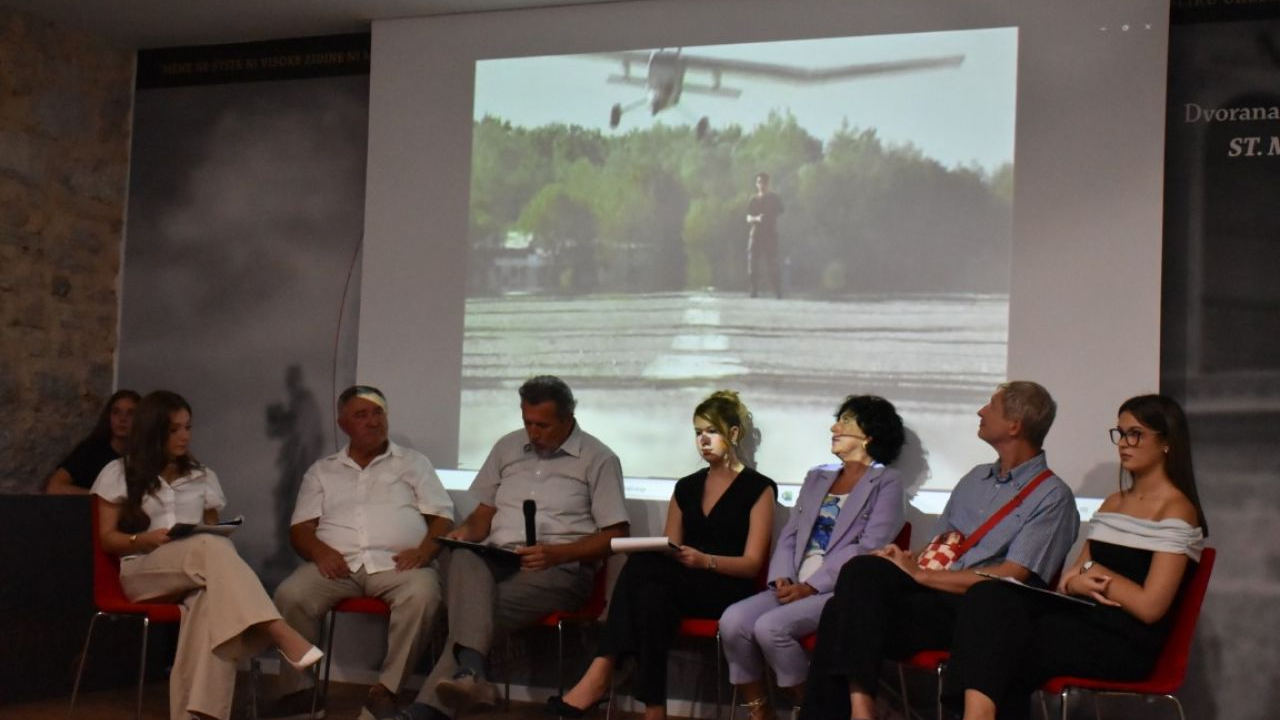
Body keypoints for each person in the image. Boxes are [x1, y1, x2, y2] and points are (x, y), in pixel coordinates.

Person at [799, 381, 1080, 720]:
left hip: (980, 615)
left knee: (840, 612)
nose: (980, 411)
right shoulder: (975, 478)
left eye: (991, 406)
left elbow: (1013, 577)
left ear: (1014, 425)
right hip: (932, 595)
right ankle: (861, 706)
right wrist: (905, 560)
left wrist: (922, 575)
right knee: (860, 576)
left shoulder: (1052, 496)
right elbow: (939, 546)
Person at [941, 394, 1208, 720]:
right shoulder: (1114, 502)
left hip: (1125, 642)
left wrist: (1095, 575)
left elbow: (1150, 607)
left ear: (1166, 442)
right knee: (988, 595)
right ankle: (976, 713)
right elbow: (1069, 580)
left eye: (1135, 434)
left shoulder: (1177, 509)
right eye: (1120, 433)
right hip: (1085, 620)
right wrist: (1081, 579)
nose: (1124, 444)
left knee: (1008, 641)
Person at [391, 376, 630, 720]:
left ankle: (435, 702)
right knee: (463, 553)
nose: (533, 433)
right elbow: (482, 517)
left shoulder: (599, 458)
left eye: (542, 425)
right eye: (527, 422)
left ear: (568, 419)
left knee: (471, 614)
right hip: (498, 560)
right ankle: (467, 678)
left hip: (557, 570)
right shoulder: (507, 447)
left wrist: (557, 554)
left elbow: (615, 534)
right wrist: (462, 534)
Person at [89, 390, 322, 720]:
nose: (184, 436)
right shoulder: (118, 472)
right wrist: (145, 538)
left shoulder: (203, 475)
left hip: (195, 573)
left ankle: (199, 714)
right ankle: (277, 630)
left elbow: (211, 532)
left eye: (188, 427)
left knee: (210, 602)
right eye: (174, 429)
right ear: (153, 431)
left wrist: (214, 532)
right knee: (208, 549)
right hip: (144, 572)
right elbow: (108, 539)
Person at [548, 390, 778, 720]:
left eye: (711, 431)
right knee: (651, 597)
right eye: (698, 432)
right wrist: (676, 556)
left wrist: (706, 561)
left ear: (733, 433)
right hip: (684, 586)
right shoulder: (686, 487)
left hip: (728, 589)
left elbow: (752, 564)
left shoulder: (759, 488)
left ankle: (601, 673)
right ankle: (654, 710)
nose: (703, 440)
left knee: (644, 568)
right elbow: (669, 547)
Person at [268, 385, 455, 720]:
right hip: (338, 567)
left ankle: (385, 691)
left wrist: (425, 552)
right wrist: (320, 552)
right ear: (343, 425)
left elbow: (442, 517)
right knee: (290, 594)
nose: (373, 421)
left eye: (378, 412)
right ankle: (301, 693)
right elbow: (300, 529)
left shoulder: (413, 463)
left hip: (398, 566)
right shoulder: (322, 470)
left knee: (424, 595)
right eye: (361, 415)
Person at [720, 395, 907, 720]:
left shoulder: (887, 482)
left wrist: (811, 586)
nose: (834, 428)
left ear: (869, 434)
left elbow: (869, 547)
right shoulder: (817, 476)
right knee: (732, 621)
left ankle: (816, 709)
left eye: (845, 421)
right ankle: (760, 711)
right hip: (793, 582)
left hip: (837, 590)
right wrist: (782, 577)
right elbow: (791, 533)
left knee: (770, 628)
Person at [46, 389, 141, 494]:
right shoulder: (91, 450)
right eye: (116, 412)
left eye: (130, 413)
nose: (122, 419)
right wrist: (99, 497)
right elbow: (54, 487)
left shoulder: (143, 457)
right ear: (108, 416)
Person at [746, 172, 784, 299]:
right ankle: (753, 291)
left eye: (764, 182)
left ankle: (778, 292)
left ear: (768, 184)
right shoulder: (753, 199)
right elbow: (748, 218)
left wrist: (770, 216)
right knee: (752, 264)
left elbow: (781, 211)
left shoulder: (774, 199)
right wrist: (757, 218)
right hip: (755, 234)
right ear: (756, 184)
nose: (761, 185)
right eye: (759, 182)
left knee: (772, 264)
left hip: (770, 235)